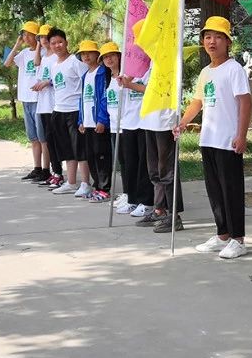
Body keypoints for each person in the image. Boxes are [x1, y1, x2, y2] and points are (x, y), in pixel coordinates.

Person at [175, 16, 252, 258]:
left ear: (227, 42)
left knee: (231, 190)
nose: (212, 41)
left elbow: (245, 102)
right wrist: (183, 122)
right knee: (215, 190)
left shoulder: (234, 69)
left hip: (228, 140)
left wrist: (241, 134)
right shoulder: (206, 71)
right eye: (208, 37)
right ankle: (222, 235)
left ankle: (238, 238)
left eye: (218, 37)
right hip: (208, 139)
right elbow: (198, 101)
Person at [126, 20, 184, 233]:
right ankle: (159, 209)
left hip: (165, 120)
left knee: (166, 169)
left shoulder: (167, 59)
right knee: (154, 170)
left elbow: (158, 89)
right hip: (150, 120)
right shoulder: (150, 62)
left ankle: (174, 215)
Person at [108, 41, 153, 216]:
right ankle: (133, 199)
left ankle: (146, 201)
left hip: (144, 122)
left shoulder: (150, 69)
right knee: (130, 165)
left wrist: (130, 84)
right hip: (127, 124)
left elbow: (150, 90)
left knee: (144, 165)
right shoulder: (127, 72)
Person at [42, 29, 90, 195]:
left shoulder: (75, 63)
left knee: (80, 149)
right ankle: (71, 182)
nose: (57, 46)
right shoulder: (54, 65)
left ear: (66, 42)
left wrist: (84, 116)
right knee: (67, 149)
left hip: (75, 111)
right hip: (59, 111)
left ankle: (85, 183)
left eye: (60, 42)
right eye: (53, 43)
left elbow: (87, 86)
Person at [4, 21, 45, 180]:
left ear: (36, 35)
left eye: (29, 34)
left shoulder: (42, 53)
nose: (26, 37)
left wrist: (39, 46)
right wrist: (17, 44)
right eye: (24, 34)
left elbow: (37, 62)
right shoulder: (23, 53)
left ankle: (46, 169)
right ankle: (37, 167)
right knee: (33, 137)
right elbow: (7, 63)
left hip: (37, 99)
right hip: (25, 99)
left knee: (42, 137)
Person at [30, 23, 64, 188]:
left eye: (45, 37)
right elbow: (36, 63)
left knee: (54, 141)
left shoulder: (56, 60)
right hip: (42, 105)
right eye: (40, 37)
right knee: (47, 141)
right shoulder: (43, 57)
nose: (42, 40)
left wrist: (46, 82)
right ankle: (53, 172)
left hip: (53, 105)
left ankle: (58, 173)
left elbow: (56, 79)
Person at [76, 39, 111, 201]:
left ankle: (104, 188)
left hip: (99, 123)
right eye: (83, 53)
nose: (86, 56)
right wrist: (80, 120)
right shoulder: (85, 76)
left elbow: (104, 98)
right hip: (87, 124)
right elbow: (82, 99)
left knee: (101, 155)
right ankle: (97, 186)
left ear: (97, 55)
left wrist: (102, 119)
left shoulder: (102, 73)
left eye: (89, 52)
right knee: (91, 156)